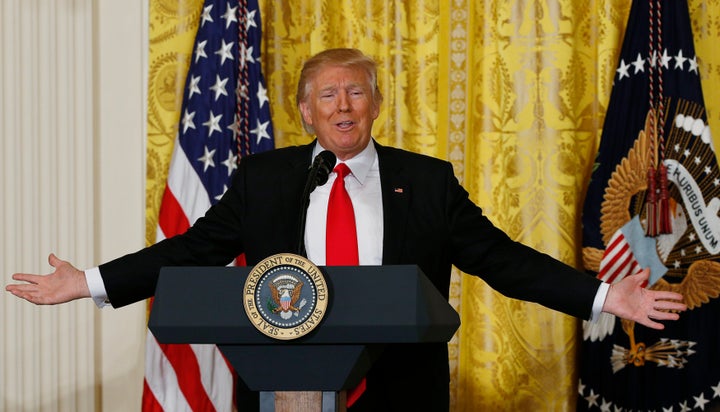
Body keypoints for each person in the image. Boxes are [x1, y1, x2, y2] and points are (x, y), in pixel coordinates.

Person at [7, 48, 686, 411]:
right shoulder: (265, 180)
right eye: (327, 94)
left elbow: (499, 258)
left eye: (355, 91)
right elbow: (192, 248)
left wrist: (604, 297)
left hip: (398, 392)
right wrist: (92, 282)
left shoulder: (425, 182)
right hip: (285, 389)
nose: (343, 103)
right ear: (306, 113)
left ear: (376, 105)